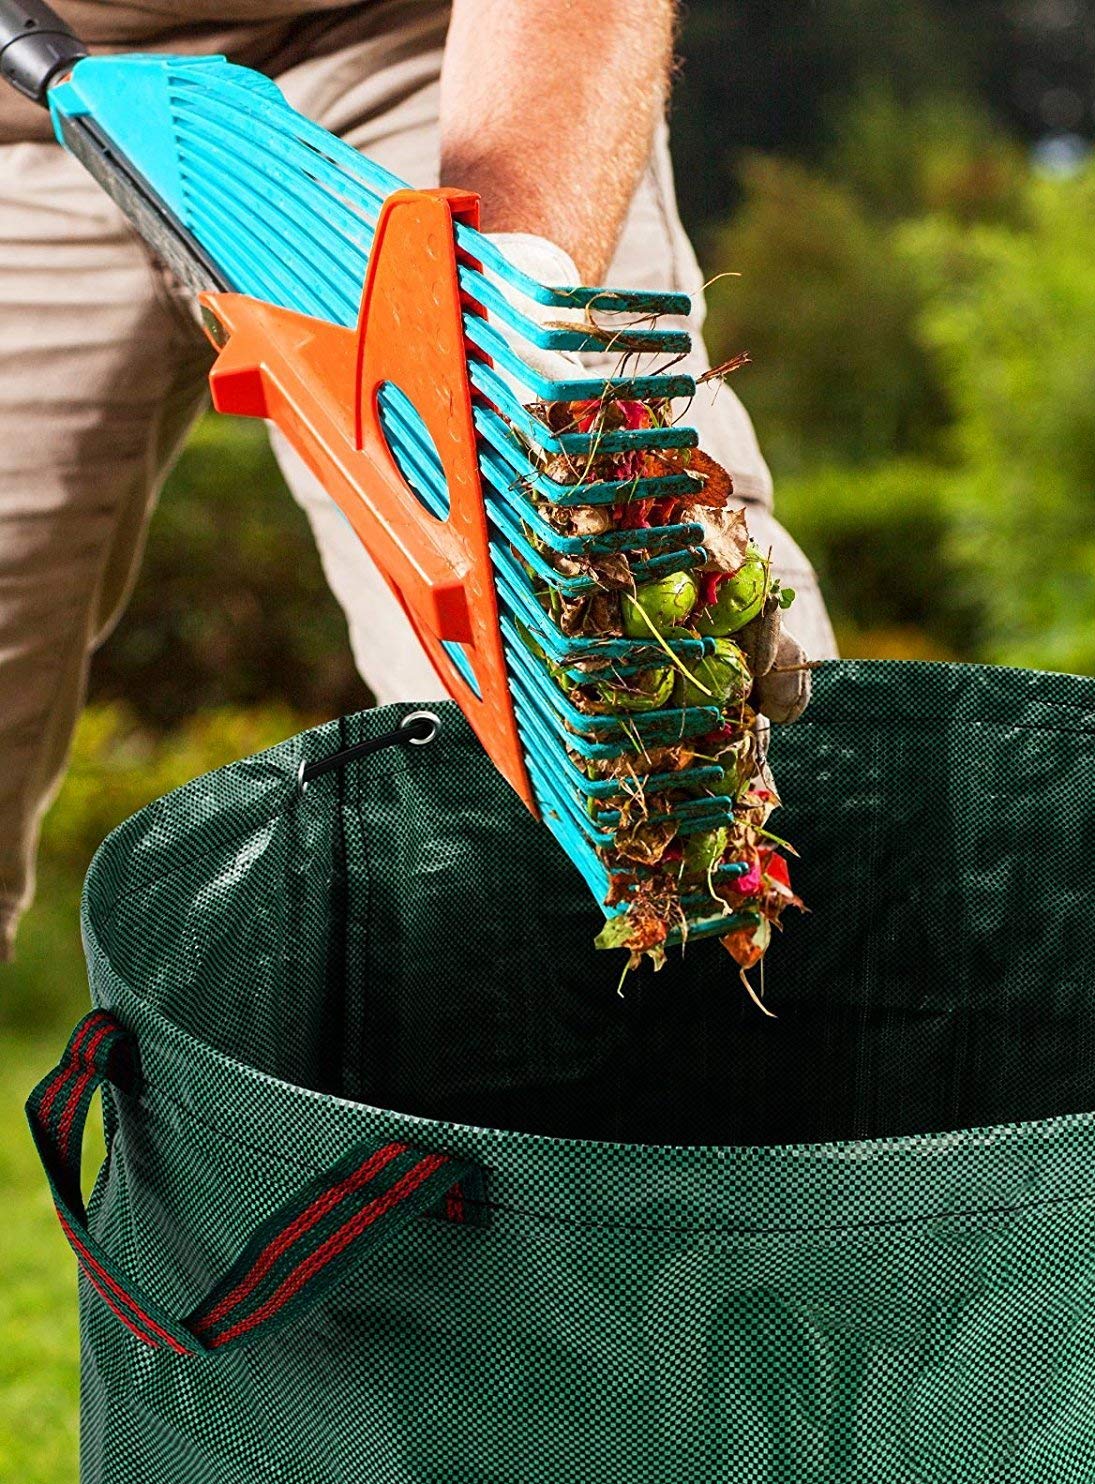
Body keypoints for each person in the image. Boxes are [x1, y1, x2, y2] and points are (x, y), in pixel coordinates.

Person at [0, 0, 835, 962]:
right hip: (15, 133)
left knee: (691, 705)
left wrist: (503, 314)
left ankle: (779, 1042)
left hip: (417, 56)